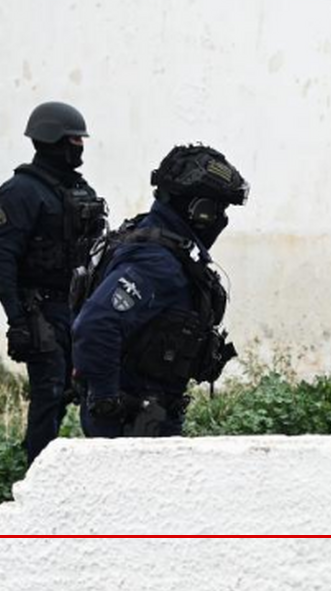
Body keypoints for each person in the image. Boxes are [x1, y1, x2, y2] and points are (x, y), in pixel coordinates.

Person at [72, 144, 247, 437]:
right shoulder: (156, 261)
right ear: (200, 211)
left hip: (148, 414)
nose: (222, 219)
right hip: (132, 420)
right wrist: (106, 402)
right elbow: (95, 324)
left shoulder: (165, 246)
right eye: (219, 209)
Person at [0, 101, 107, 463]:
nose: (80, 146)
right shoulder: (20, 192)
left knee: (78, 388)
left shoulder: (78, 189)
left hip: (76, 307)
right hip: (39, 309)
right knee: (49, 391)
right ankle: (35, 473)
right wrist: (17, 321)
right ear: (53, 139)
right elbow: (2, 263)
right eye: (74, 139)